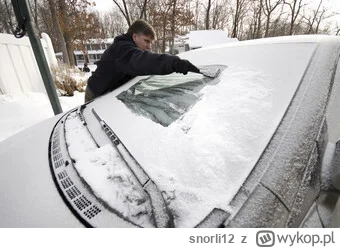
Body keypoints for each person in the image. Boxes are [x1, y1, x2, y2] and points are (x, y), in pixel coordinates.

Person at [85, 19, 200, 102]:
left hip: (111, 92)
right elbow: (142, 61)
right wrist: (174, 63)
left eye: (151, 42)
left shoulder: (127, 48)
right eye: (147, 41)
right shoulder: (123, 49)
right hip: (96, 94)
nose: (149, 46)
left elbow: (146, 66)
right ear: (135, 37)